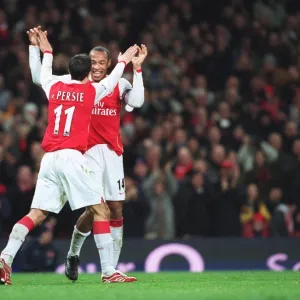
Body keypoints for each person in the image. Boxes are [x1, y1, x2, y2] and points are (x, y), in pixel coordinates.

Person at [0, 29, 138, 285]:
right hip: (72, 157)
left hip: (49, 158)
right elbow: (112, 79)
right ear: (87, 73)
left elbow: (38, 75)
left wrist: (40, 49)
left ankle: (5, 257)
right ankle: (109, 271)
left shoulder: (54, 86)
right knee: (101, 209)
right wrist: (124, 60)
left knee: (37, 214)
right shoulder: (90, 92)